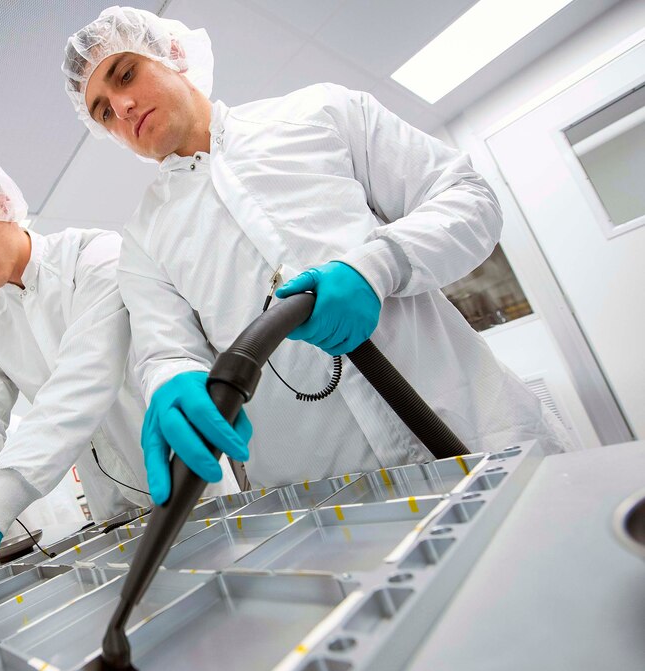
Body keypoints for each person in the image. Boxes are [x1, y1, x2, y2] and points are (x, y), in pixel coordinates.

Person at [61, 7, 569, 505]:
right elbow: (167, 351)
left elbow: (468, 197)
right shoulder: (144, 240)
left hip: (478, 434)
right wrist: (172, 381)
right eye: (103, 111)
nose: (122, 107)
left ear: (172, 52)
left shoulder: (320, 113)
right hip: (340, 507)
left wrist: (379, 266)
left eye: (125, 74)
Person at [0, 147, 236, 661]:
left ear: (1, 202)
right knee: (159, 642)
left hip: (185, 475)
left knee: (230, 617)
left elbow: (81, 383)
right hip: (113, 508)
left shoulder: (95, 256)